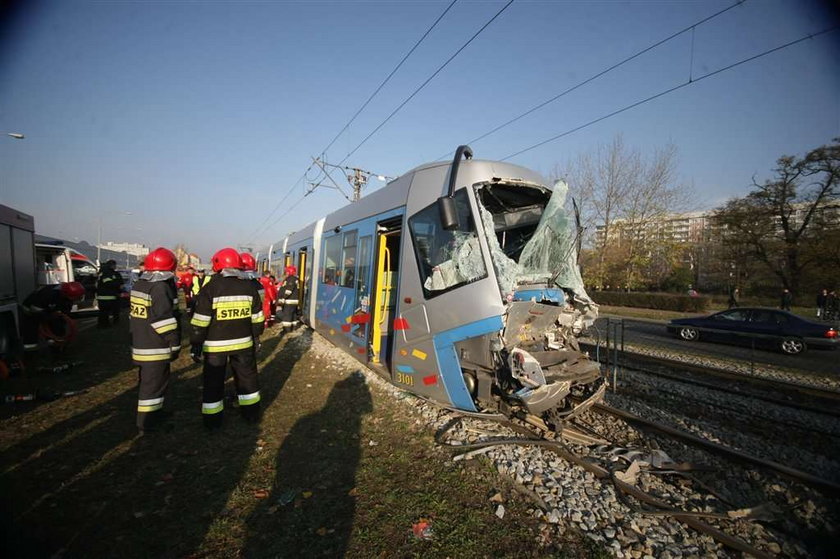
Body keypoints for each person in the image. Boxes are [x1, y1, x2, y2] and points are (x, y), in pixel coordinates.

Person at [190, 248, 264, 429]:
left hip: (215, 347)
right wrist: (255, 337)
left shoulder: (210, 288)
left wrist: (196, 344)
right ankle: (251, 414)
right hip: (244, 344)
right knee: (248, 379)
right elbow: (258, 320)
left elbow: (200, 322)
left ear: (218, 265)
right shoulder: (249, 288)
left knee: (213, 382)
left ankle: (213, 421)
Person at [129, 247, 181, 434]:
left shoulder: (140, 285)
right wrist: (174, 342)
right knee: (152, 387)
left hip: (141, 342)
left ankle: (154, 415)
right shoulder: (160, 288)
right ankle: (147, 424)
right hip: (155, 346)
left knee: (152, 384)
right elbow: (163, 320)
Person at [20, 282, 85, 352]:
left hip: (46, 308)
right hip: (30, 310)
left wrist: (61, 315)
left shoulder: (65, 293)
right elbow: (36, 310)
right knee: (31, 329)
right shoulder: (48, 294)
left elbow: (65, 309)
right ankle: (30, 351)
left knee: (58, 324)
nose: (74, 300)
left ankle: (56, 345)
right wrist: (49, 317)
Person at [96, 259, 124, 327]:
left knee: (103, 313)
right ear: (112, 265)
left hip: (101, 296)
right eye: (115, 265)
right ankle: (105, 325)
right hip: (108, 296)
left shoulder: (102, 272)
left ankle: (102, 324)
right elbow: (108, 283)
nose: (115, 267)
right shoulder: (108, 273)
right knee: (109, 312)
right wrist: (118, 285)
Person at [277, 265, 300, 333]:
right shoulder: (294, 279)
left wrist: (283, 297)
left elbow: (288, 290)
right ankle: (294, 327)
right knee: (293, 315)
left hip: (289, 301)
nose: (286, 273)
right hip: (293, 301)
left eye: (287, 271)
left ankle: (287, 329)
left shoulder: (291, 279)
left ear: (290, 272)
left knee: (287, 315)